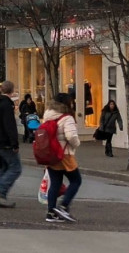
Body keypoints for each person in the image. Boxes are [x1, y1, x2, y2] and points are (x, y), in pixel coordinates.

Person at [43, 93, 82, 224]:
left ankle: (51, 212)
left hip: (51, 154)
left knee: (55, 183)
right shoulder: (67, 117)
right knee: (76, 180)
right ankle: (63, 206)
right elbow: (71, 136)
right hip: (65, 154)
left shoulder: (47, 115)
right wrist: (77, 144)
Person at [0, 81, 21, 208]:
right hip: (5, 142)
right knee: (15, 168)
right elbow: (10, 125)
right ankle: (0, 193)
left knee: (3, 168)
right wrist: (14, 143)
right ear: (12, 91)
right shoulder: (7, 105)